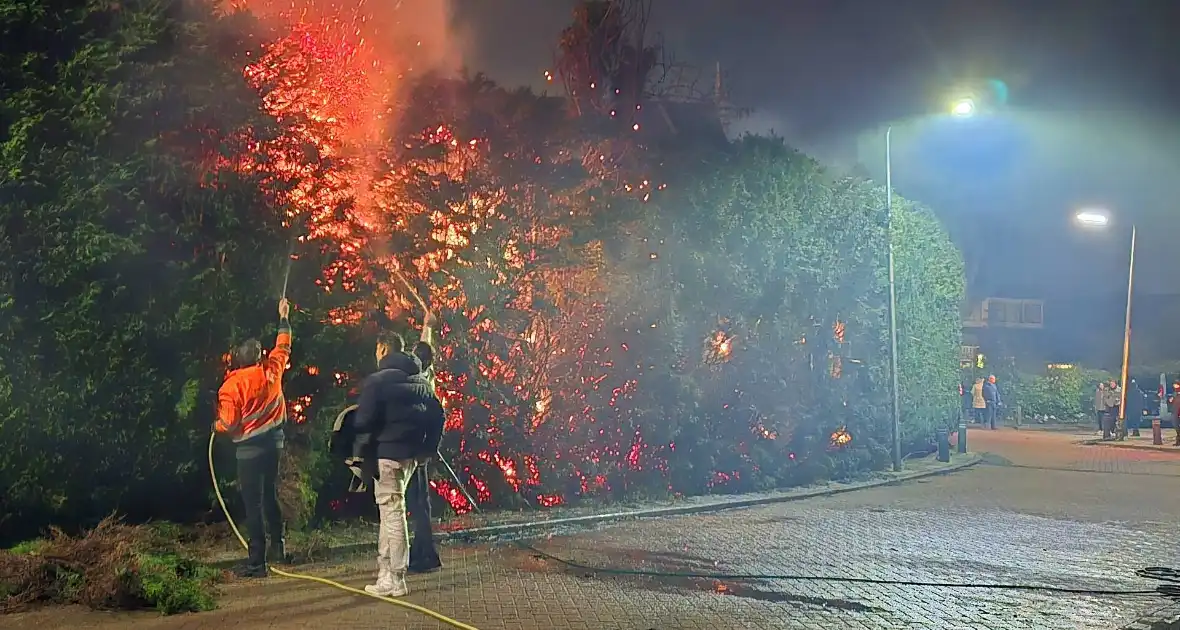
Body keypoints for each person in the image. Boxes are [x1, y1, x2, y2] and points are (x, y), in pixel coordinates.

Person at [351, 330, 443, 597]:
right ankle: (385, 573)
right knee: (389, 511)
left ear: (383, 349)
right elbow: (438, 415)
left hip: (387, 454)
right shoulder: (420, 379)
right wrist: (428, 448)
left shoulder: (377, 382)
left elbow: (363, 422)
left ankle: (397, 578)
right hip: (410, 455)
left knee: (393, 512)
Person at [215, 297, 292, 578]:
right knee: (270, 495)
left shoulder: (230, 387)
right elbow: (283, 345)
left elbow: (229, 422)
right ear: (259, 356)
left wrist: (216, 427)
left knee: (253, 503)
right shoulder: (271, 371)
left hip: (247, 452)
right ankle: (279, 549)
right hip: (274, 445)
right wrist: (283, 317)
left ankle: (256, 562)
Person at [408, 313, 443, 574]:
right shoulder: (426, 370)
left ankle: (425, 554)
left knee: (419, 504)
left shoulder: (421, 382)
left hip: (417, 450)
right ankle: (422, 550)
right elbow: (424, 347)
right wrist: (427, 326)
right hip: (420, 448)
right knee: (420, 503)